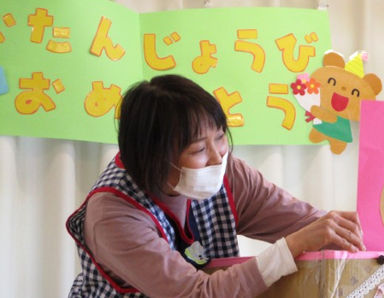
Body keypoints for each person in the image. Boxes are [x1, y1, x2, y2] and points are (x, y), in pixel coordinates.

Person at [66, 74, 365, 297]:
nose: (217, 157)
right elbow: (199, 294)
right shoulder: (114, 214)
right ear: (154, 156)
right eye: (197, 150)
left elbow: (307, 223)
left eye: (220, 136)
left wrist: (353, 236)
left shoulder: (229, 172)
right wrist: (293, 246)